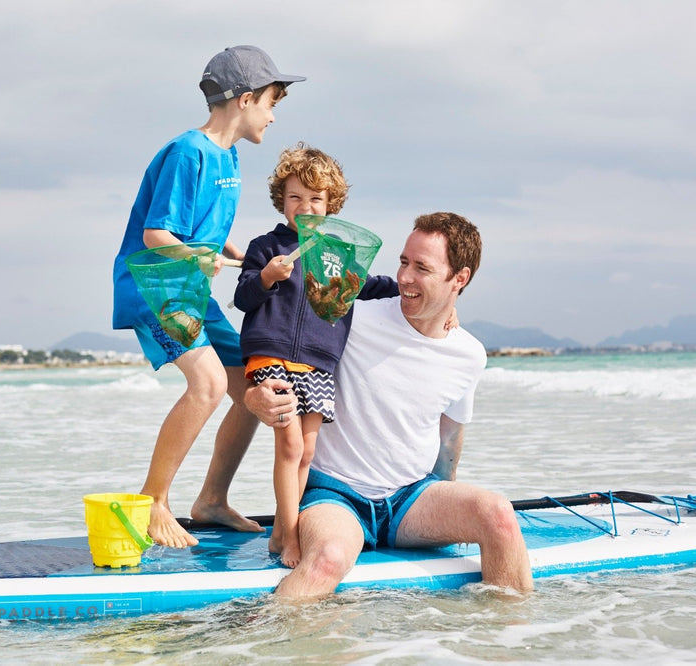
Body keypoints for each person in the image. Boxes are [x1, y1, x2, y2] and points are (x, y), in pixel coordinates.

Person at [244, 212, 535, 595]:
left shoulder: (469, 354)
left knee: (498, 515)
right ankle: (261, 643)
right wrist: (255, 397)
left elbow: (450, 439)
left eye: (422, 268)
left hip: (410, 498)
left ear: (459, 279)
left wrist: (443, 510)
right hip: (337, 496)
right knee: (328, 558)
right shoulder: (350, 316)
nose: (404, 278)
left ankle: (511, 642)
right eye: (403, 262)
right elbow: (274, 347)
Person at [111, 46, 305, 549]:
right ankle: (153, 501)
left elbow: (210, 229)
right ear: (244, 99)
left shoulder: (230, 157)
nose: (274, 114)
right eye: (271, 101)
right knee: (209, 384)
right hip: (157, 286)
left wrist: (240, 255)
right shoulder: (188, 152)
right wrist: (201, 257)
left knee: (251, 386)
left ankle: (212, 499)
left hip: (190, 287)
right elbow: (158, 235)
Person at [234, 143, 398, 567]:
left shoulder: (335, 254)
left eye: (315, 199)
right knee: (288, 446)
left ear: (331, 205)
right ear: (281, 200)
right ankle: (288, 536)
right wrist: (267, 278)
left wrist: (416, 288)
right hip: (271, 355)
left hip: (319, 362)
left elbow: (367, 286)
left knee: (306, 452)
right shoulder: (267, 246)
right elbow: (243, 297)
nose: (304, 206)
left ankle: (280, 531)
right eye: (295, 198)